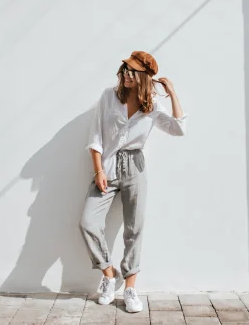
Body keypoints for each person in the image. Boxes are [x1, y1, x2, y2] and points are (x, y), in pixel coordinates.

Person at [79, 51, 188, 313]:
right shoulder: (109, 96)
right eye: (125, 69)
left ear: (144, 77)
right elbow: (96, 136)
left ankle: (130, 288)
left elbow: (178, 129)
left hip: (135, 167)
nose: (127, 75)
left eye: (133, 72)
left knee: (134, 229)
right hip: (107, 166)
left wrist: (171, 92)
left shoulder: (151, 106)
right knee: (88, 222)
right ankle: (109, 274)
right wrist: (98, 171)